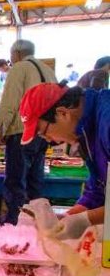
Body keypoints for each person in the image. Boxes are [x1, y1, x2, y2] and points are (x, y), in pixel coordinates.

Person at [19, 83, 109, 239]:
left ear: (62, 113)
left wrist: (85, 219)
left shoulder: (107, 121)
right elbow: (97, 188)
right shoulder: (84, 132)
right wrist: (68, 217)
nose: (48, 140)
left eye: (43, 133)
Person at [0, 39, 57, 225]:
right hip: (43, 133)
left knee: (16, 183)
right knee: (35, 182)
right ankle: (36, 224)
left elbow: (10, 103)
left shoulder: (19, 67)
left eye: (11, 55)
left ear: (17, 54)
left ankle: (14, 225)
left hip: (23, 133)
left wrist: (1, 129)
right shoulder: (48, 70)